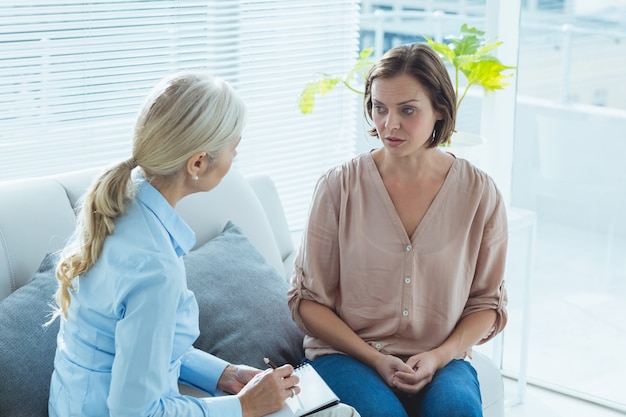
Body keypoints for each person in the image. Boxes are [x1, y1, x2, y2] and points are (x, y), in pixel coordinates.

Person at [48, 72, 360, 417]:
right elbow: (136, 412)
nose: (234, 159)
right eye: (233, 149)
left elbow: (138, 349)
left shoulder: (118, 206)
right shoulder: (154, 267)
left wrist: (225, 374)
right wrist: (242, 407)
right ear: (197, 163)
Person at [287, 43, 509, 417]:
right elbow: (308, 302)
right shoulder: (338, 188)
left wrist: (440, 355)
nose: (389, 123)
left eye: (407, 110)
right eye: (379, 107)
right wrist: (374, 358)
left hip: (442, 359)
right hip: (347, 356)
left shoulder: (478, 193)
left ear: (440, 110)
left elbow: (487, 304)